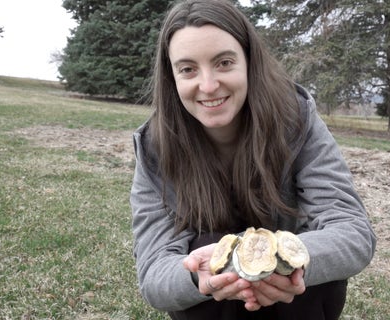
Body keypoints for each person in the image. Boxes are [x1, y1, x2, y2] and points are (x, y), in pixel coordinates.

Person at [130, 0, 376, 319]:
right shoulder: (154, 148)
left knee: (305, 255)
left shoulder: (296, 119)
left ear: (248, 61)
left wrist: (279, 261)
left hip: (298, 303)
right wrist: (199, 276)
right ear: (171, 77)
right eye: (188, 69)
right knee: (205, 246)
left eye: (224, 63)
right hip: (212, 308)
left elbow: (353, 232)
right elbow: (154, 274)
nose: (208, 85)